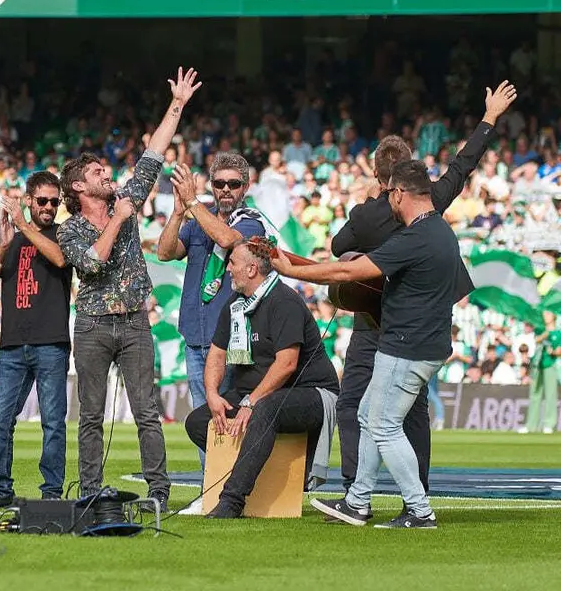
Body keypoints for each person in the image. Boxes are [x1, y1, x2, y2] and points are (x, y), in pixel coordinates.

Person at [328, 80, 516, 494]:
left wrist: (365, 208)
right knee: (412, 413)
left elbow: (338, 247)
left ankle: (353, 489)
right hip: (419, 325)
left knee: (352, 403)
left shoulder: (365, 215)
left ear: (379, 177)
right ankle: (418, 488)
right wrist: (489, 117)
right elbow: (462, 166)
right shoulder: (432, 200)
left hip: (373, 325)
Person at [273, 160, 462, 529]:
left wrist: (291, 271)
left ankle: (419, 510)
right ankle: (357, 501)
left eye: (389, 194)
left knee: (385, 425)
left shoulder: (414, 238)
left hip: (406, 346)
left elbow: (347, 271)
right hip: (423, 343)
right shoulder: (441, 232)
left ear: (398, 193)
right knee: (366, 416)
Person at [57, 66, 203, 510]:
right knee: (90, 416)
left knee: (147, 413)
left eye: (106, 170)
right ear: (79, 187)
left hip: (135, 321)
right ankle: (89, 491)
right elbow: (92, 262)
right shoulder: (71, 230)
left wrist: (177, 104)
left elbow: (153, 156)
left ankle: (158, 491)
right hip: (93, 325)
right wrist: (120, 218)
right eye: (99, 172)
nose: (108, 175)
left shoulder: (125, 196)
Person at [183, 241, 339, 519]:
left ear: (252, 269)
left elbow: (287, 364)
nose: (227, 269)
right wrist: (212, 394)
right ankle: (261, 468)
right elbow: (217, 355)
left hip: (310, 392)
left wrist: (251, 401)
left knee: (265, 410)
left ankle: (232, 501)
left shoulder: (284, 301)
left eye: (232, 263)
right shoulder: (234, 305)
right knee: (198, 422)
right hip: (257, 393)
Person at [155, 153, 265, 472]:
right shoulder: (196, 220)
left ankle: (231, 484)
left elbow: (228, 238)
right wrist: (178, 213)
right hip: (194, 334)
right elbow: (164, 252)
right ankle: (211, 484)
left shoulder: (250, 220)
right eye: (219, 183)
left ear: (245, 187)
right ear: (213, 187)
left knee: (228, 413)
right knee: (204, 417)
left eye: (233, 183)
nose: (226, 189)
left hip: (231, 339)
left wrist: (192, 202)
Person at [0, 171, 72, 508]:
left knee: (53, 423)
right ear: (29, 200)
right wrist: (2, 243)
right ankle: (0, 490)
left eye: (54, 202)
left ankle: (52, 492)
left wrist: (23, 227)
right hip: (13, 343)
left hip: (51, 341)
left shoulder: (63, 233)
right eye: (42, 201)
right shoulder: (12, 239)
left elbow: (58, 259)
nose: (48, 207)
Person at [521, 311, 560, 434]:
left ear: (554, 316)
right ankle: (531, 425)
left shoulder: (558, 333)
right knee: (535, 394)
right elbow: (536, 340)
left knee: (550, 394)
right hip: (537, 364)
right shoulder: (540, 330)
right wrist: (544, 335)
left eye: (548, 314)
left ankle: (549, 424)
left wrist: (553, 352)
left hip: (551, 365)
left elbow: (559, 350)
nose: (545, 316)